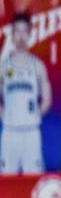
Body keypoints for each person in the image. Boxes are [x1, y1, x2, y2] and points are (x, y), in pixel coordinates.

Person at [0, 12, 52, 174]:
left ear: (30, 34)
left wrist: (37, 114)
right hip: (10, 132)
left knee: (33, 177)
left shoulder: (38, 66)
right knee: (6, 180)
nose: (21, 36)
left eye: (24, 31)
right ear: (12, 35)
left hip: (31, 133)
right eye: (17, 31)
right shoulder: (3, 66)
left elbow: (47, 97)